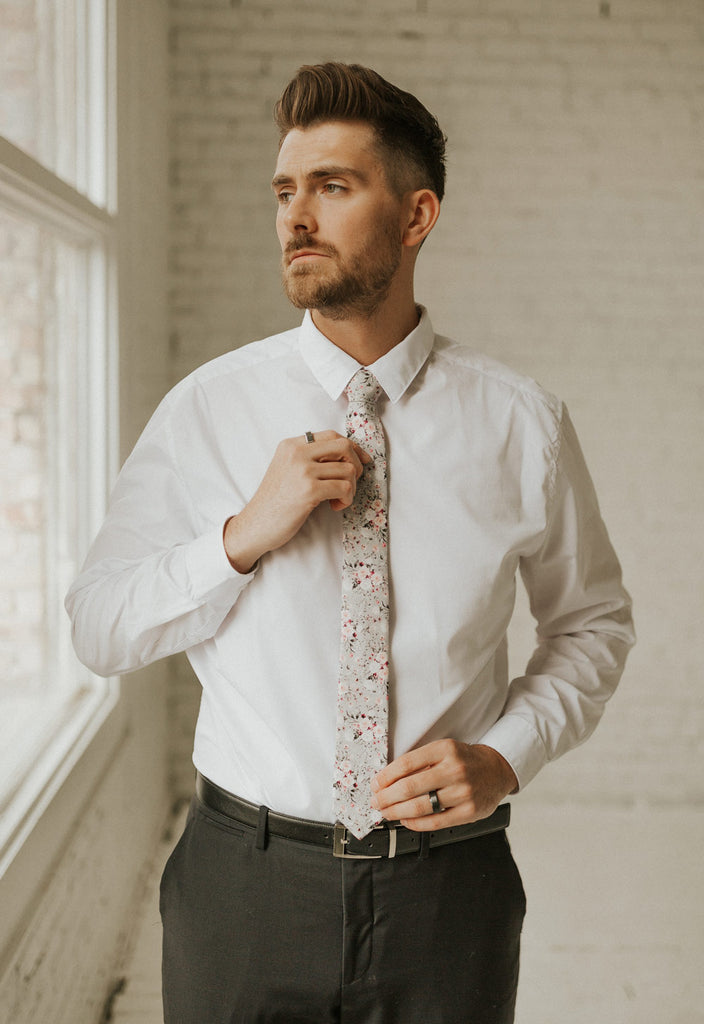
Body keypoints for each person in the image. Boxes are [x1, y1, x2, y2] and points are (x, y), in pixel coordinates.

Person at [66, 62, 635, 1024]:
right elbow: (99, 628)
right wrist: (241, 537)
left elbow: (593, 625)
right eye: (284, 190)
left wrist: (507, 755)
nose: (296, 217)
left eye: (332, 186)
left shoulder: (519, 424)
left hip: (448, 891)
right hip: (243, 892)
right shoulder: (208, 410)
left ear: (417, 216)